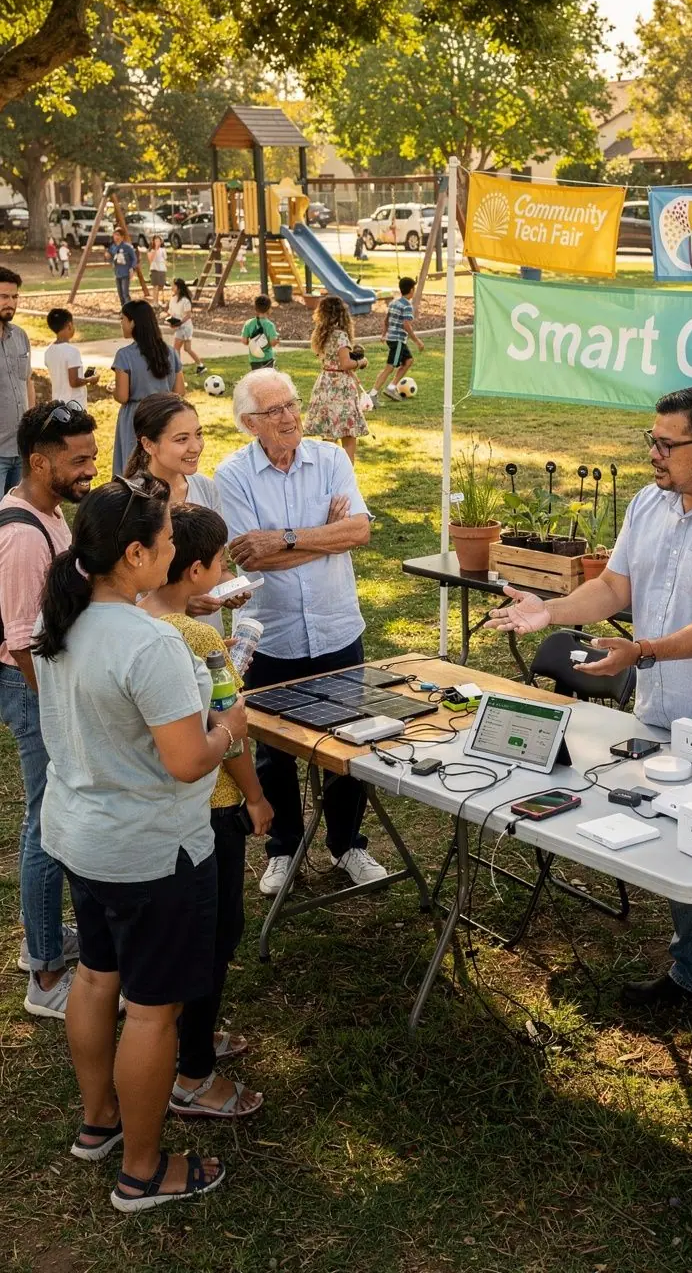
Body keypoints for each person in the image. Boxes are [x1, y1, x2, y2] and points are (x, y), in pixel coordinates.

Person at [488, 386, 692, 1071]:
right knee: (678, 853)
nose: (651, 453)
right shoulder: (650, 502)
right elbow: (617, 588)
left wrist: (642, 651)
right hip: (662, 713)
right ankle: (689, 977)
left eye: (666, 443)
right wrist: (554, 610)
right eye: (650, 439)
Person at [32, 475, 245, 1211]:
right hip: (152, 851)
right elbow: (188, 759)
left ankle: (101, 1122)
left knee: (96, 977)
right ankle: (145, 1169)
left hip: (82, 834)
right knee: (153, 1011)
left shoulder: (63, 618)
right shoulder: (150, 643)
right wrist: (229, 731)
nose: (171, 552)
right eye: (163, 544)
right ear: (132, 554)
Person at [214, 367, 388, 895]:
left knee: (347, 740)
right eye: (274, 411)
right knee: (274, 749)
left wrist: (286, 538)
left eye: (292, 404)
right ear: (249, 423)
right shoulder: (233, 475)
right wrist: (324, 538)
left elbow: (359, 530)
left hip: (337, 627)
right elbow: (252, 557)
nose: (290, 417)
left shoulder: (331, 457)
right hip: (274, 633)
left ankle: (347, 844)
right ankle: (284, 848)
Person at [140, 502, 272, 1119]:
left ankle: (192, 1038)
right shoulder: (196, 636)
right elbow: (231, 731)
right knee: (217, 937)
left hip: (156, 815)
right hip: (212, 809)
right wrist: (255, 795)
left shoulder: (138, 621)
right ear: (195, 569)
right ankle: (193, 1070)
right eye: (219, 561)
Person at [0, 401, 97, 1018]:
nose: (91, 468)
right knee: (46, 828)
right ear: (40, 462)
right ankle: (44, 974)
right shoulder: (20, 536)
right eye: (78, 459)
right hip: (32, 690)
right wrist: (55, 710)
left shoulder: (52, 513)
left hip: (46, 687)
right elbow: (19, 642)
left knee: (47, 820)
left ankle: (41, 934)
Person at [124, 391, 252, 631]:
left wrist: (230, 587)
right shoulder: (131, 500)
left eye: (199, 434)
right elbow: (122, 589)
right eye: (181, 439)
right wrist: (178, 600)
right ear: (148, 444)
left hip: (206, 637)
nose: (196, 447)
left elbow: (218, 566)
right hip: (157, 636)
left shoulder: (205, 487)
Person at [111, 298, 184, 477]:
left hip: (136, 417)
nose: (121, 323)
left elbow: (122, 396)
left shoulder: (124, 355)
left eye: (123, 319)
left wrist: (111, 389)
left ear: (133, 322)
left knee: (133, 467)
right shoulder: (170, 352)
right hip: (165, 414)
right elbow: (180, 392)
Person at [303, 294, 369, 463]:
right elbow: (346, 363)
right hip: (340, 387)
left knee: (328, 433)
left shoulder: (321, 334)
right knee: (348, 433)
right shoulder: (340, 336)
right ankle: (346, 475)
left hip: (325, 382)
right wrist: (361, 362)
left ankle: (328, 473)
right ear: (342, 313)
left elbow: (330, 359)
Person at [0, 266, 34, 493]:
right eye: (3, 296)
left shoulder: (20, 336)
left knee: (17, 517)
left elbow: (27, 381)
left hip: (21, 449)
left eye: (14, 297)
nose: (10, 302)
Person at [369, 276, 424, 405]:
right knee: (389, 368)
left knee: (409, 360)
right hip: (398, 340)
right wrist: (417, 341)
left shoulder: (394, 303)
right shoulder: (407, 306)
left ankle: (391, 388)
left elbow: (386, 320)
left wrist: (384, 334)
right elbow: (406, 325)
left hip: (392, 339)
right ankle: (372, 394)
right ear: (411, 290)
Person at [43, 307, 98, 408]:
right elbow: (74, 382)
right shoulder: (72, 351)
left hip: (57, 404)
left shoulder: (48, 351)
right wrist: (91, 379)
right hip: (74, 406)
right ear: (69, 325)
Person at [167, 277, 206, 375]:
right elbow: (172, 313)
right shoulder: (172, 299)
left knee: (176, 349)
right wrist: (172, 322)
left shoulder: (185, 301)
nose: (172, 288)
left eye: (174, 286)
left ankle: (178, 370)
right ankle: (201, 366)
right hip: (179, 326)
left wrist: (179, 323)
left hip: (185, 327)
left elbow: (188, 315)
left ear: (179, 288)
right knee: (187, 349)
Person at [241, 294, 279, 371]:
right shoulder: (270, 325)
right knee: (268, 379)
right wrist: (277, 340)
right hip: (267, 358)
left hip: (254, 359)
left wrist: (254, 342)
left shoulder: (248, 323)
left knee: (257, 380)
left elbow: (244, 341)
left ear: (255, 309)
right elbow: (272, 343)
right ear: (269, 309)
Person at [107, 227, 138, 307]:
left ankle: (130, 311)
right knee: (120, 293)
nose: (116, 237)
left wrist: (132, 268)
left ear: (122, 237)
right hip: (117, 273)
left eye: (118, 235)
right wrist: (108, 257)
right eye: (114, 235)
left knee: (125, 293)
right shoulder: (112, 247)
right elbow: (110, 258)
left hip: (125, 273)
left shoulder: (127, 247)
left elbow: (134, 258)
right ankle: (123, 310)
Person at [147, 236, 167, 310]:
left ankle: (158, 300)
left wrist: (165, 267)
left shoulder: (163, 250)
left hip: (162, 269)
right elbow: (151, 260)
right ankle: (155, 302)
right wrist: (155, 249)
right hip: (154, 269)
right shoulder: (150, 250)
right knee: (155, 286)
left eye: (159, 241)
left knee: (161, 286)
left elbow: (164, 259)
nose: (157, 242)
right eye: (156, 241)